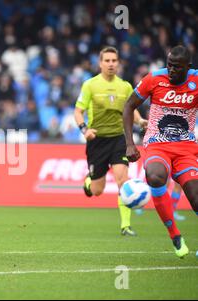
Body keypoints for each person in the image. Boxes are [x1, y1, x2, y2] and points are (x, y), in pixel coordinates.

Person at [123, 45, 198, 258]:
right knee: (155, 176)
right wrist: (130, 143)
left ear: (188, 67)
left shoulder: (196, 82)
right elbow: (129, 106)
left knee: (196, 199)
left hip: (186, 149)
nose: (171, 70)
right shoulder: (154, 79)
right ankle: (174, 234)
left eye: (177, 67)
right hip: (158, 144)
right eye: (169, 65)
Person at [75, 46, 148, 236]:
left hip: (119, 138)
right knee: (97, 190)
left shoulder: (125, 86)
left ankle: (125, 226)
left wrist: (140, 121)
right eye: (107, 61)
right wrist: (85, 129)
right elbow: (78, 111)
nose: (110, 64)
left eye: (114, 61)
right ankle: (88, 182)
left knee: (122, 179)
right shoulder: (90, 85)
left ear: (118, 63)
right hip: (97, 140)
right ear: (100, 63)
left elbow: (131, 108)